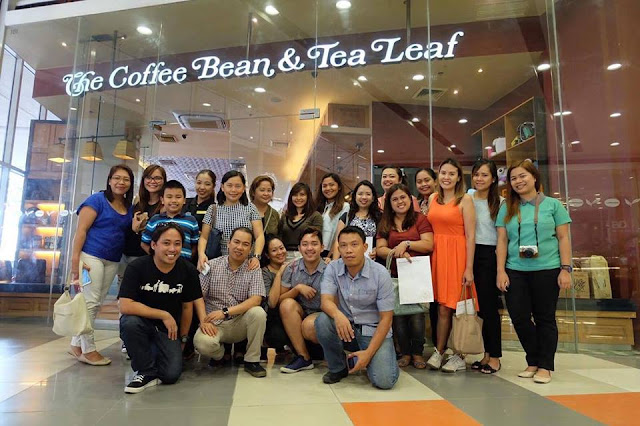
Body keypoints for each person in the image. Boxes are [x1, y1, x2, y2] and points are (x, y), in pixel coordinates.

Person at [496, 160, 572, 384]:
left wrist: (565, 269)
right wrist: (500, 271)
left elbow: (564, 238)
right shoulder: (507, 207)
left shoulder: (553, 205)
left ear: (534, 177)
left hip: (547, 269)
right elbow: (502, 240)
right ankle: (533, 359)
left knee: (544, 318)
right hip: (515, 270)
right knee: (519, 317)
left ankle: (544, 366)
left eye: (523, 176)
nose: (518, 181)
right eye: (513, 178)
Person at [118, 223, 204, 393]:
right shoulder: (137, 267)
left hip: (168, 330)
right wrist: (163, 314)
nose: (172, 249)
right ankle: (145, 371)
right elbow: (125, 305)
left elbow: (187, 307)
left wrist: (183, 339)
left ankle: (152, 354)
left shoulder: (188, 270)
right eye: (166, 243)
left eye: (177, 244)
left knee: (171, 375)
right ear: (153, 245)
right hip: (141, 324)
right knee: (129, 323)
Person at [315, 226, 399, 389]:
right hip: (347, 328)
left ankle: (375, 357)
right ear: (338, 248)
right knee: (322, 321)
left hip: (373, 330)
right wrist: (338, 316)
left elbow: (386, 319)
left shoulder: (380, 273)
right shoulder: (333, 268)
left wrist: (368, 354)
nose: (348, 250)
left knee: (384, 381)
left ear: (365, 247)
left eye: (354, 244)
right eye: (343, 245)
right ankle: (338, 368)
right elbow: (325, 301)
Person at [68, 164, 134, 366]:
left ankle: (75, 344)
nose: (121, 182)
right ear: (109, 180)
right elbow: (81, 231)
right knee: (91, 302)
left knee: (96, 301)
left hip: (112, 260)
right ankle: (88, 350)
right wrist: (75, 261)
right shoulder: (96, 200)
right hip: (91, 257)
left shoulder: (128, 206)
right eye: (117, 178)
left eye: (126, 179)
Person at [193, 227, 268, 378]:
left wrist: (226, 312)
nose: (240, 247)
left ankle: (252, 360)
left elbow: (256, 299)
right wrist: (203, 320)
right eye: (236, 242)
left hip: (239, 321)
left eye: (245, 244)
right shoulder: (211, 265)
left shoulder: (253, 269)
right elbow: (198, 295)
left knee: (258, 313)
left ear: (251, 248)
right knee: (202, 343)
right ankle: (220, 355)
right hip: (214, 323)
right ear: (228, 243)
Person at [426, 158, 476, 373]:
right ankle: (439, 351)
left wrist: (469, 268)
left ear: (458, 177)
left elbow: (471, 236)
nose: (446, 177)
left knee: (458, 307)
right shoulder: (432, 198)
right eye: (443, 173)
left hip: (457, 256)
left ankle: (460, 354)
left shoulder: (465, 200)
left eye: (451, 173)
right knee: (441, 307)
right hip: (437, 255)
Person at [376, 184, 433, 369]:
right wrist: (396, 252)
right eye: (395, 199)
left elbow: (428, 244)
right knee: (398, 317)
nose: (399, 202)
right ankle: (405, 353)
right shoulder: (386, 222)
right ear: (389, 203)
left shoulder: (420, 219)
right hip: (394, 275)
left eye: (403, 197)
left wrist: (407, 244)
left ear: (410, 199)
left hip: (416, 275)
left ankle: (417, 353)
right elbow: (380, 248)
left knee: (416, 317)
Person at [278, 228, 326, 373]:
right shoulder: (291, 268)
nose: (309, 248)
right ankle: (303, 357)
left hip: (322, 314)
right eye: (305, 244)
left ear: (322, 247)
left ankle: (331, 353)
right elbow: (280, 299)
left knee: (309, 325)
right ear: (299, 248)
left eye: (314, 244)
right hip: (301, 313)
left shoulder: (330, 269)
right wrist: (297, 289)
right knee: (286, 304)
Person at [470, 159, 503, 374]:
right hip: (469, 253)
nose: (479, 179)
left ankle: (495, 356)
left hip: (490, 255)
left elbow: (502, 237)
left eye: (484, 175)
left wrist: (500, 268)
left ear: (493, 179)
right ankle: (486, 354)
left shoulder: (500, 203)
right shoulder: (467, 198)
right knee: (479, 309)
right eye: (476, 174)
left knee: (489, 307)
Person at [198, 171, 264, 271]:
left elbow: (259, 236)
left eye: (238, 186)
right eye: (229, 185)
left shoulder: (251, 208)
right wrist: (201, 254)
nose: (233, 190)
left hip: (245, 263)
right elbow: (204, 237)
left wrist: (256, 256)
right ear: (222, 187)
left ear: (243, 188)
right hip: (217, 263)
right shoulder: (213, 209)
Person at [141, 180, 199, 260]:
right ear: (162, 200)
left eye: (178, 197)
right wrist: (156, 258)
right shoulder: (155, 220)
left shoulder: (191, 220)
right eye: (169, 197)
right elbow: (144, 243)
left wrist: (186, 261)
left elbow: (195, 245)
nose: (174, 201)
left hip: (183, 265)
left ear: (184, 200)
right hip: (159, 264)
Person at [414, 167, 439, 346]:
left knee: (440, 302)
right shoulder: (416, 204)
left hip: (440, 252)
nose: (423, 184)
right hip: (421, 257)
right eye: (419, 181)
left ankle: (441, 344)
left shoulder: (441, 201)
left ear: (435, 181)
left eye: (427, 180)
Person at [331, 180, 382, 260]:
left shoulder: (380, 217)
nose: (364, 197)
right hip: (349, 260)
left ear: (373, 198)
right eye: (360, 194)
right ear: (355, 196)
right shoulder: (346, 216)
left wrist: (377, 250)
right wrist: (335, 263)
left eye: (368, 194)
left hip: (372, 261)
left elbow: (384, 241)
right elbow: (338, 241)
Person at [260, 234, 290, 357]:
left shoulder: (292, 267)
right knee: (278, 337)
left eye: (281, 248)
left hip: (289, 314)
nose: (280, 252)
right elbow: (272, 303)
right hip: (272, 318)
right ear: (267, 255)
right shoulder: (264, 272)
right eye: (274, 250)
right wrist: (279, 274)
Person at [278, 182, 323, 259]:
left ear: (308, 197)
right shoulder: (285, 216)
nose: (298, 198)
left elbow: (316, 238)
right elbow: (279, 236)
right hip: (284, 255)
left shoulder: (315, 216)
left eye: (302, 195)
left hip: (305, 255)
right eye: (295, 195)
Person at [315, 173, 350, 258]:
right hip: (315, 251)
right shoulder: (318, 207)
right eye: (324, 186)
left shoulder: (345, 206)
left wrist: (331, 255)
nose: (328, 188)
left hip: (331, 252)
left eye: (331, 185)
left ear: (339, 187)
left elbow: (339, 234)